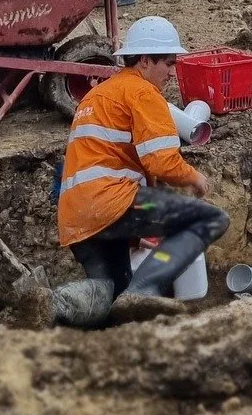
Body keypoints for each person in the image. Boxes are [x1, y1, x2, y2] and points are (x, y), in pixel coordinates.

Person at [50, 16, 228, 326]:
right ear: (145, 60)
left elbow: (106, 158)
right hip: (114, 203)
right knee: (211, 218)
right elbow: (161, 162)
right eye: (168, 63)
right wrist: (195, 178)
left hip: (77, 216)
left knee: (112, 300)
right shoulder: (143, 93)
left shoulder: (98, 96)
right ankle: (146, 287)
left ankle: (55, 307)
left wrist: (133, 234)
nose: (172, 72)